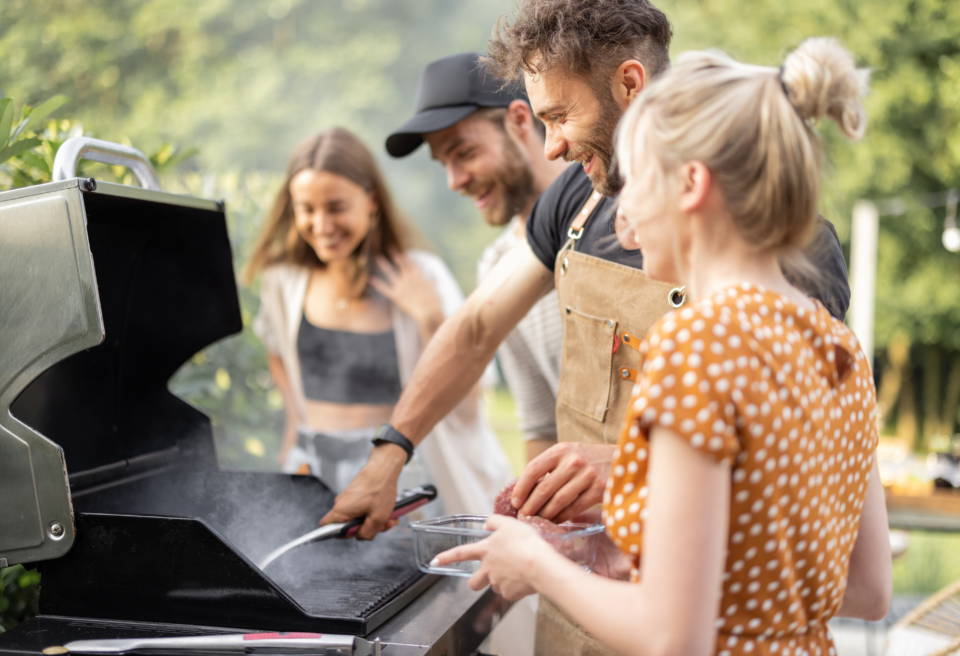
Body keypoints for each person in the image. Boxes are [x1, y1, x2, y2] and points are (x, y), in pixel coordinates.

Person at [321, 1, 850, 651]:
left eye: (560, 115)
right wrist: (390, 452)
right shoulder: (572, 200)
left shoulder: (781, 268)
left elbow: (794, 477)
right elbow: (477, 326)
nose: (551, 147)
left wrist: (635, 468)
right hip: (583, 596)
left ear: (630, 84)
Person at [434, 37, 893, 656]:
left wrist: (538, 568)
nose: (621, 221)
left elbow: (673, 636)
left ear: (691, 186)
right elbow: (867, 590)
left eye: (636, 184)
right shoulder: (837, 348)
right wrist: (620, 556)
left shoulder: (696, 345)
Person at [246, 127, 511, 514]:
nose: (321, 225)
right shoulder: (283, 281)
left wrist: (430, 315)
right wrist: (293, 426)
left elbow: (470, 395)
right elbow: (276, 350)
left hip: (396, 470)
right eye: (307, 209)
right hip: (310, 467)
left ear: (371, 200)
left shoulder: (422, 274)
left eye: (336, 207)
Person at [386, 52, 570, 464]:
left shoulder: (612, 217)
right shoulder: (495, 265)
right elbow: (541, 425)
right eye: (444, 164)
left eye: (464, 153)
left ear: (520, 120)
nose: (454, 181)